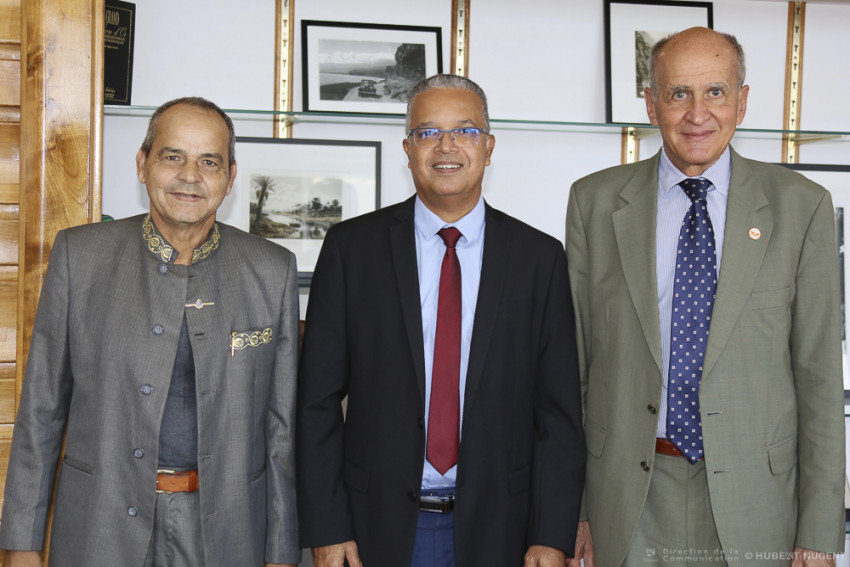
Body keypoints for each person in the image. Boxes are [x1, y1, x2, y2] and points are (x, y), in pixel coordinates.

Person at [566, 27, 845, 567]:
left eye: (715, 92)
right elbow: (573, 370)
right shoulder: (594, 203)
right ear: (651, 104)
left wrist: (818, 530)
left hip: (758, 503)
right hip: (624, 499)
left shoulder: (801, 207)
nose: (698, 113)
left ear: (741, 101)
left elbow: (819, 382)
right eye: (678, 94)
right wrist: (573, 510)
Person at [296, 74, 585, 567]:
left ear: (489, 147)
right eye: (428, 132)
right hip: (372, 530)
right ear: (407, 148)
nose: (446, 146)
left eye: (465, 131)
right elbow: (316, 402)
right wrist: (327, 526)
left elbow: (558, 415)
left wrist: (551, 535)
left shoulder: (539, 259)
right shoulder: (352, 250)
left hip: (504, 531)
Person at [0, 97, 300, 567]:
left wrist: (282, 552)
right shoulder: (82, 257)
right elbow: (41, 410)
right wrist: (21, 544)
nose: (190, 175)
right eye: (172, 156)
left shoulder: (271, 269)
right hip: (100, 525)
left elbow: (281, 431)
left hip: (228, 533)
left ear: (230, 177)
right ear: (143, 164)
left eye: (209, 161)